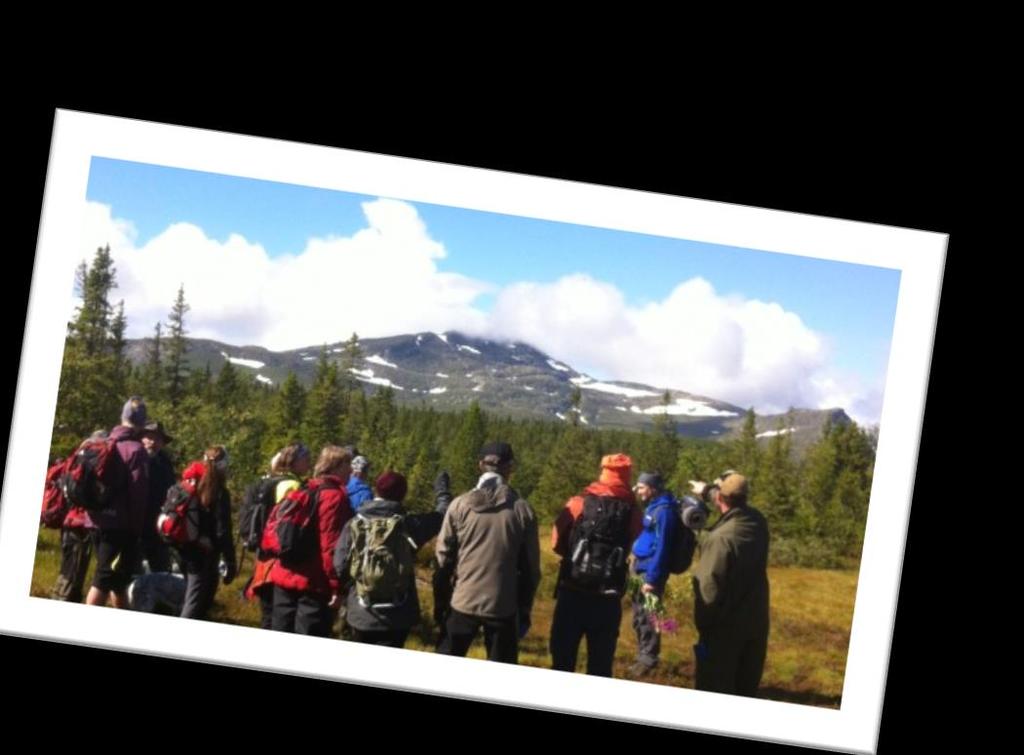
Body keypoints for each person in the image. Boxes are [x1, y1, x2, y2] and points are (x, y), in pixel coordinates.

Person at [435, 442, 540, 664]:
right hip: (503, 605)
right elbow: (531, 569)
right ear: (510, 468)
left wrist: (441, 602)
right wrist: (525, 609)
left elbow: (443, 557)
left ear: (480, 465)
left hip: (462, 600)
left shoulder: (459, 505)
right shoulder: (523, 510)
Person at [333, 470, 452, 647]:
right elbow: (442, 515)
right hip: (399, 613)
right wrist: (442, 491)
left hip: (361, 611)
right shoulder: (409, 525)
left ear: (376, 491)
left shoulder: (354, 523)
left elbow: (340, 566)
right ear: (402, 495)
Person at [549, 453, 642, 677]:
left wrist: (575, 557)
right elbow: (634, 542)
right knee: (600, 667)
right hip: (607, 598)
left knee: (562, 662)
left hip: (572, 591)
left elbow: (555, 542)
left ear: (603, 471)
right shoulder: (633, 512)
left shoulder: (578, 503)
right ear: (627, 476)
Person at [690, 472, 770, 697]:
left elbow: (708, 589)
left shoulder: (720, 539)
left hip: (723, 632)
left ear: (722, 499)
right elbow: (726, 500)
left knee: (714, 690)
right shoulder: (758, 522)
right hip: (756, 625)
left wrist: (704, 626)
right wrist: (706, 491)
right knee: (745, 690)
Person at [267, 445, 353, 637]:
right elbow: (330, 545)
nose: (351, 471)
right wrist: (336, 586)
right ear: (337, 466)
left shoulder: (305, 487)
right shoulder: (334, 497)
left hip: (284, 573)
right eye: (347, 465)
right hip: (312, 583)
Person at [85, 397, 150, 609]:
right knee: (103, 579)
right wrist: (137, 531)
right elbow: (138, 495)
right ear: (142, 423)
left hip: (95, 520)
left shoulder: (104, 443)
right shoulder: (136, 450)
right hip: (120, 527)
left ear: (122, 417)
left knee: (118, 580)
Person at [245, 443, 312, 629]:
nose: (309, 462)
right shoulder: (291, 484)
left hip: (263, 554)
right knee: (278, 616)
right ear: (294, 461)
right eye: (305, 458)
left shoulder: (270, 481)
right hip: (277, 558)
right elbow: (287, 524)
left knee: (268, 612)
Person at [627, 471, 680, 677]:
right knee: (640, 615)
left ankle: (649, 658)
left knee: (649, 615)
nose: (638, 490)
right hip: (640, 568)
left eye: (641, 487)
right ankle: (643, 653)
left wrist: (652, 579)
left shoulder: (665, 512)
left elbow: (663, 548)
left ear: (652, 488)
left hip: (649, 573)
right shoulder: (655, 507)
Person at [175, 446, 236, 620]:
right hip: (204, 553)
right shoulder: (219, 493)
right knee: (196, 602)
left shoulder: (188, 484)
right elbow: (223, 530)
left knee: (189, 595)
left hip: (183, 547)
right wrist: (230, 561)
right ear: (223, 466)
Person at [139, 421, 176, 573]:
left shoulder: (165, 463)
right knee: (131, 571)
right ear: (141, 438)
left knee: (160, 569)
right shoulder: (134, 458)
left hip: (158, 526)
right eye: (149, 437)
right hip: (135, 524)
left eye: (158, 439)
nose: (153, 442)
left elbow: (172, 492)